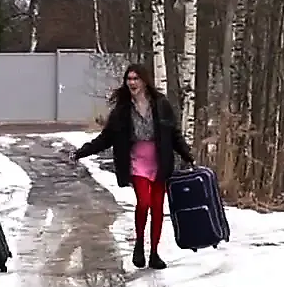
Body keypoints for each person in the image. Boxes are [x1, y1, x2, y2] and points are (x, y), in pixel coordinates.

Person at [71, 64, 194, 270]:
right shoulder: (122, 110)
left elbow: (174, 134)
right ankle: (139, 244)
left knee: (157, 208)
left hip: (159, 162)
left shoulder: (160, 104)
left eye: (136, 79)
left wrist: (187, 155)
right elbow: (106, 138)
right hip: (137, 162)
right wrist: (81, 152)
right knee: (144, 202)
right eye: (129, 79)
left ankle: (154, 253)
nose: (132, 83)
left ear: (144, 81)